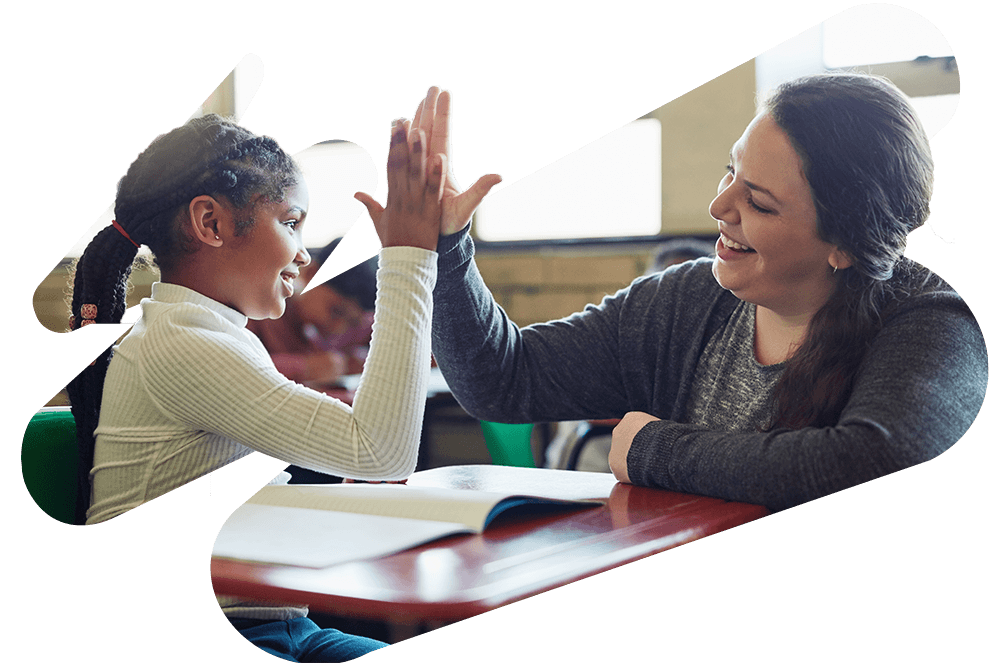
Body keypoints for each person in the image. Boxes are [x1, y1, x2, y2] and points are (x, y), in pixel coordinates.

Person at [423, 74, 988, 513]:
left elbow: (874, 460)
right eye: (729, 172)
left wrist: (653, 449)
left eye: (760, 203)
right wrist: (446, 245)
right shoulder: (686, 302)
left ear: (844, 244)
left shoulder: (931, 319)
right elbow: (503, 379)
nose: (719, 208)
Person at [65, 110, 497, 660]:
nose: (303, 255)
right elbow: (382, 451)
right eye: (291, 222)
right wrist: (409, 257)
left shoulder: (215, 333)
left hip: (276, 624)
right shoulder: (184, 346)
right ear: (211, 224)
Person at [247, 237, 378, 397]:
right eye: (335, 311)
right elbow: (234, 366)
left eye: (352, 323)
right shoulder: (257, 308)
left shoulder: (321, 327)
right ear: (312, 274)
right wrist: (305, 368)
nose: (338, 328)